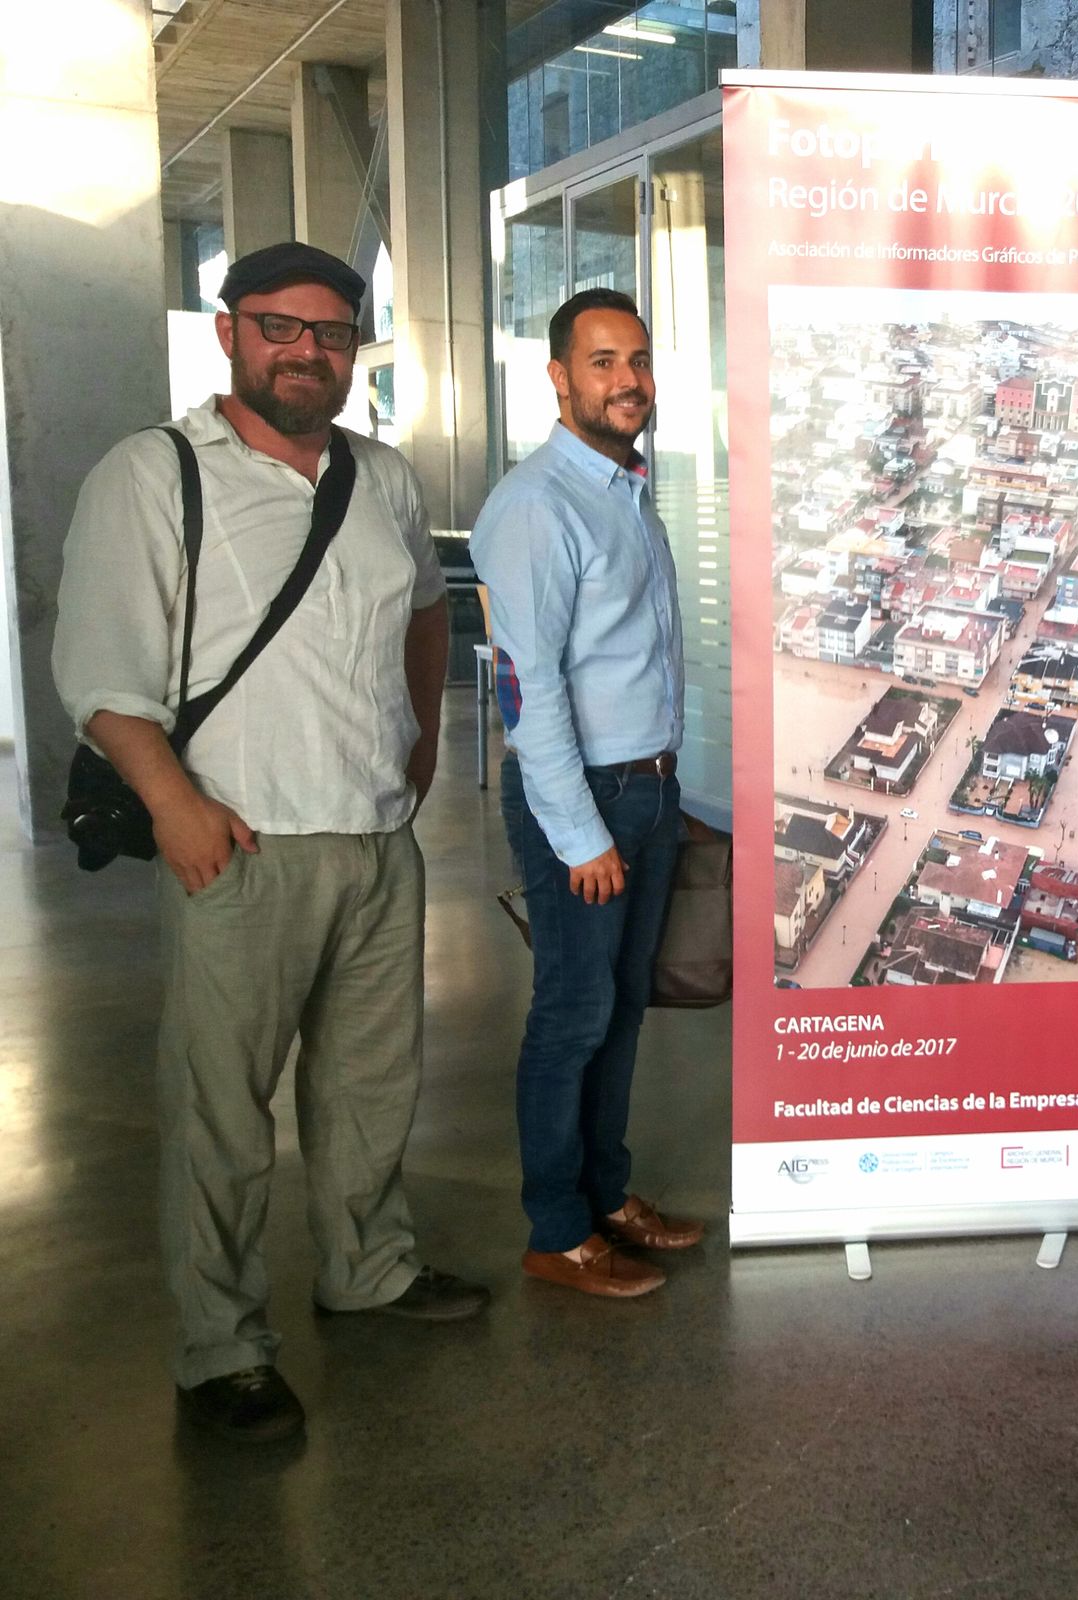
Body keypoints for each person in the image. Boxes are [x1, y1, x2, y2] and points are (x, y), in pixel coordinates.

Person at [53, 241, 490, 1446]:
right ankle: (222, 1346)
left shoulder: (383, 478)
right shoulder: (154, 473)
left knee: (370, 1084)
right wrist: (172, 804)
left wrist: (418, 746)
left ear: (354, 348)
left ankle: (367, 1267)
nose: (306, 351)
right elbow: (99, 672)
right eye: (279, 327)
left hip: (376, 837)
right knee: (221, 1110)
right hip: (238, 839)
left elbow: (424, 609)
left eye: (331, 332)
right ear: (229, 332)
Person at [472, 287, 703, 1299]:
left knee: (620, 1011)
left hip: (644, 789)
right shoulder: (537, 506)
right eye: (602, 361)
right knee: (571, 1015)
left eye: (638, 359)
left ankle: (606, 1196)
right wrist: (578, 835)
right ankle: (556, 1231)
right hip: (586, 801)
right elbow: (529, 687)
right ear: (559, 378)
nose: (627, 380)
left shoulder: (624, 491)